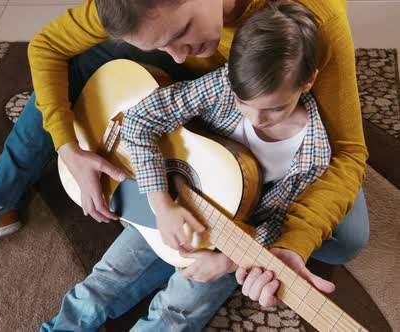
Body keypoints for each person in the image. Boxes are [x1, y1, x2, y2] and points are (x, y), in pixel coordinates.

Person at [0, 0, 369, 309]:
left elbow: (348, 152)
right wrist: (68, 150)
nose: (179, 54)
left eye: (184, 30)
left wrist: (291, 242)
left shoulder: (313, 15)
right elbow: (47, 46)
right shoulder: (136, 5)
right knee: (81, 62)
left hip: (260, 86)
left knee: (344, 239)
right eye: (161, 43)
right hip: (206, 94)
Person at [41, 2, 332, 330]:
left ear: (307, 82)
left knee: (174, 314)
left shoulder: (313, 154)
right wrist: (162, 203)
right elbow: (139, 121)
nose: (257, 119)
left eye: (275, 109)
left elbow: (279, 221)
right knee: (102, 283)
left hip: (229, 237)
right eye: (243, 104)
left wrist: (227, 261)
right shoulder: (224, 84)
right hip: (171, 201)